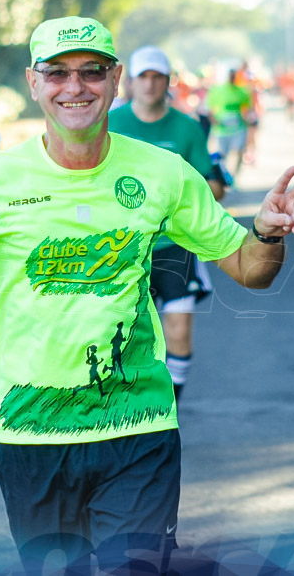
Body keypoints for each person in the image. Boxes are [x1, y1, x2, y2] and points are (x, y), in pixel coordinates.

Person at [0, 16, 294, 575]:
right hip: (30, 431)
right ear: (33, 84)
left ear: (116, 81)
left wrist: (267, 232)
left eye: (91, 72)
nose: (75, 87)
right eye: (57, 73)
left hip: (138, 427)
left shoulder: (164, 173)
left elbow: (249, 269)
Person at [108, 45, 226, 400]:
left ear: (167, 81)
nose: (149, 84)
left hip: (174, 247)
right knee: (122, 334)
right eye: (142, 76)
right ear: (128, 82)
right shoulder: (110, 123)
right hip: (121, 248)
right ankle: (121, 403)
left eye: (157, 77)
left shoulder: (187, 128)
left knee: (179, 330)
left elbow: (214, 186)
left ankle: (171, 401)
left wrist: (177, 194)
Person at [205, 67, 252, 178]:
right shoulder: (217, 90)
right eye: (230, 75)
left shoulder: (242, 92)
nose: (232, 77)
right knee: (222, 156)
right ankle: (224, 177)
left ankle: (234, 176)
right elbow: (209, 109)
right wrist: (214, 120)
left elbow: (247, 110)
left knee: (238, 152)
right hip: (222, 130)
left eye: (234, 75)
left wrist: (246, 121)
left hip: (238, 128)